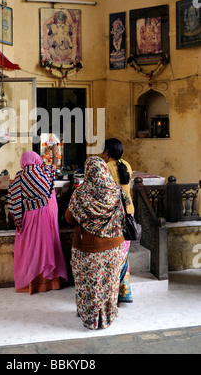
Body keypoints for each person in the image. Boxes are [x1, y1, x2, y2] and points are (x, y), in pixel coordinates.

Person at [65, 156, 130, 330]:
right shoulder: (117, 190)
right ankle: (107, 316)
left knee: (89, 284)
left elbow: (69, 218)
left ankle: (90, 317)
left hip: (88, 247)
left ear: (88, 172)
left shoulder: (81, 193)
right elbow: (127, 212)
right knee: (109, 283)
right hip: (115, 246)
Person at [7, 147, 67, 294]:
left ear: (23, 162)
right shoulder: (46, 173)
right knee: (47, 247)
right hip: (46, 218)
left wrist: (18, 221)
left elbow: (13, 201)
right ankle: (50, 283)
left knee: (31, 249)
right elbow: (54, 167)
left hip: (29, 218)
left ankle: (30, 283)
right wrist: (54, 153)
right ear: (37, 160)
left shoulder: (19, 177)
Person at [103, 137, 134, 306]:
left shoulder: (106, 168)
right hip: (129, 214)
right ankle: (124, 292)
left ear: (107, 151)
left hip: (114, 216)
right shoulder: (127, 165)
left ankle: (113, 295)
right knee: (123, 257)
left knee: (113, 256)